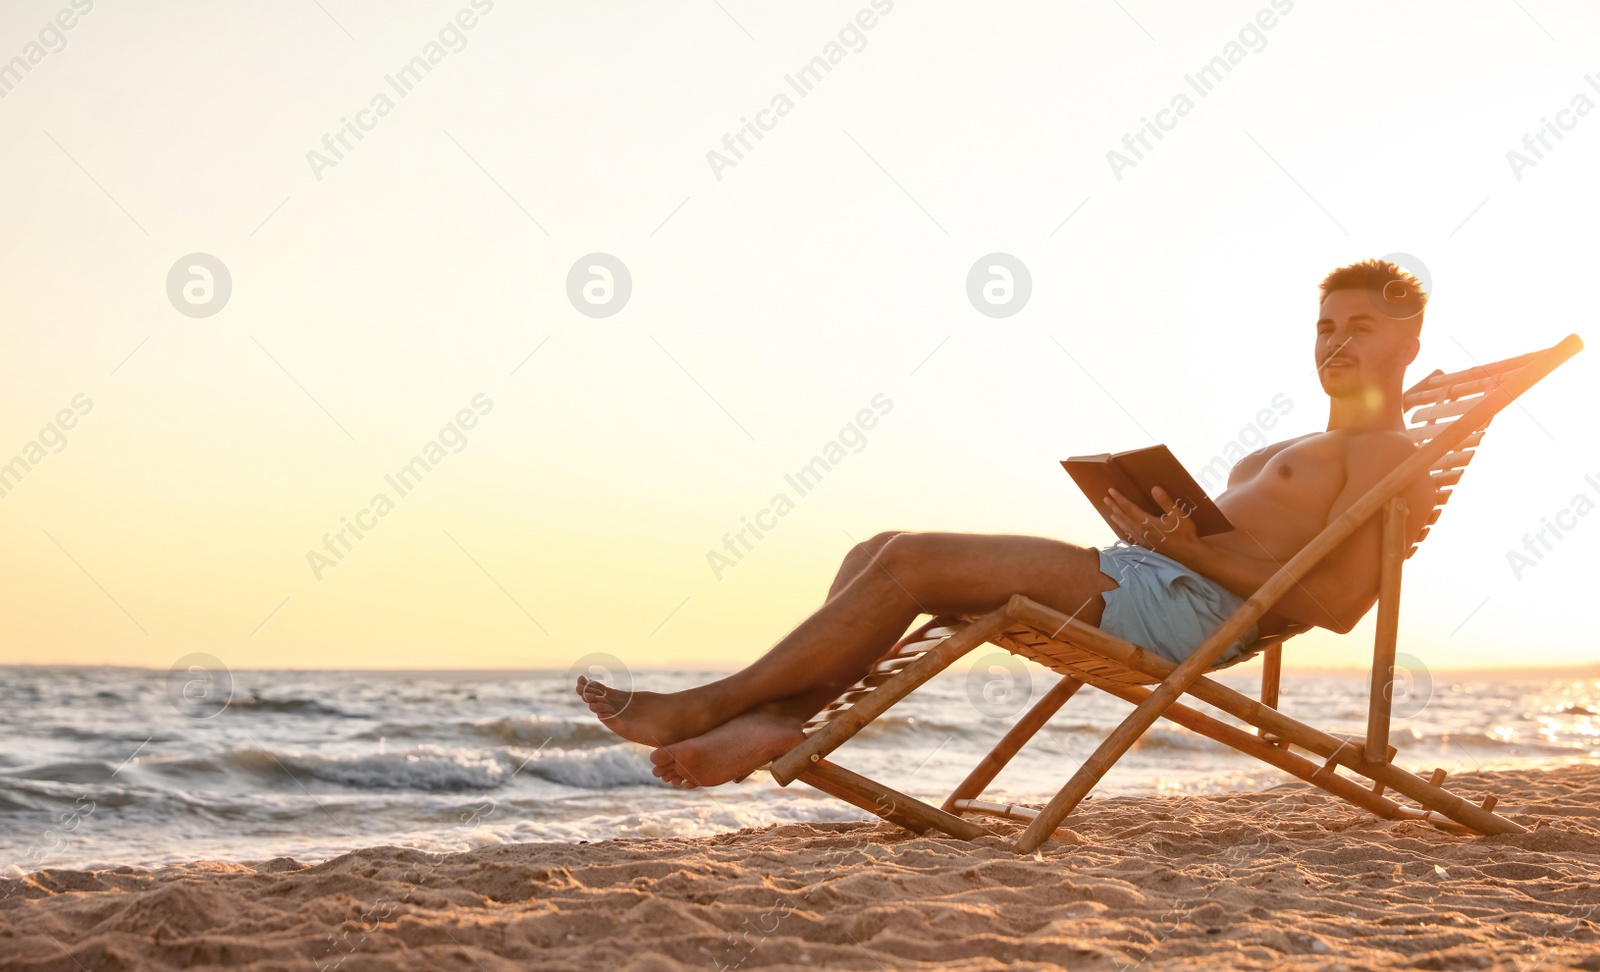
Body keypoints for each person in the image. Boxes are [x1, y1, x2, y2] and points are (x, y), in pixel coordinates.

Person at [577, 258, 1439, 789]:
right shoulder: (1313, 443)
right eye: (1325, 326)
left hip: (1189, 612)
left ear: (1408, 343)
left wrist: (1176, 545)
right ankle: (780, 718)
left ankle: (707, 706)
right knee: (877, 549)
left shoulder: (1386, 454)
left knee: (911, 561)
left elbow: (1332, 604)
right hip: (1156, 578)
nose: (1334, 344)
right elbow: (1252, 545)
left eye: (1360, 329)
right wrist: (1157, 525)